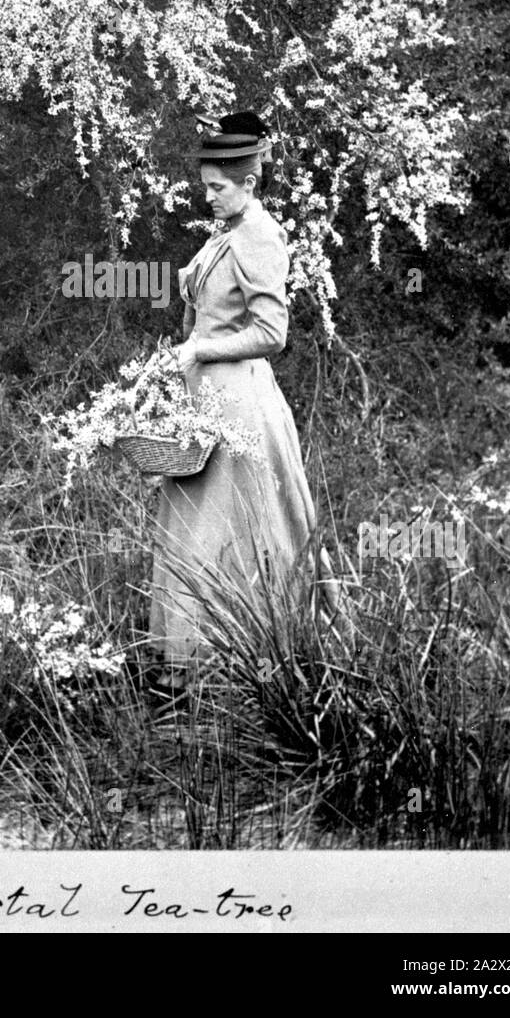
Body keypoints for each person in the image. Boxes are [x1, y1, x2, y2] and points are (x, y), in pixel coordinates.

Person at [148, 111, 317, 703]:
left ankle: (235, 662)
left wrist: (201, 348)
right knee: (192, 521)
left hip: (239, 407)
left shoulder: (261, 236)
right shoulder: (225, 233)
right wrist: (181, 357)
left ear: (249, 182)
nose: (209, 196)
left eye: (219, 187)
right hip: (205, 402)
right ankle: (184, 664)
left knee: (229, 527)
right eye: (206, 187)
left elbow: (272, 333)